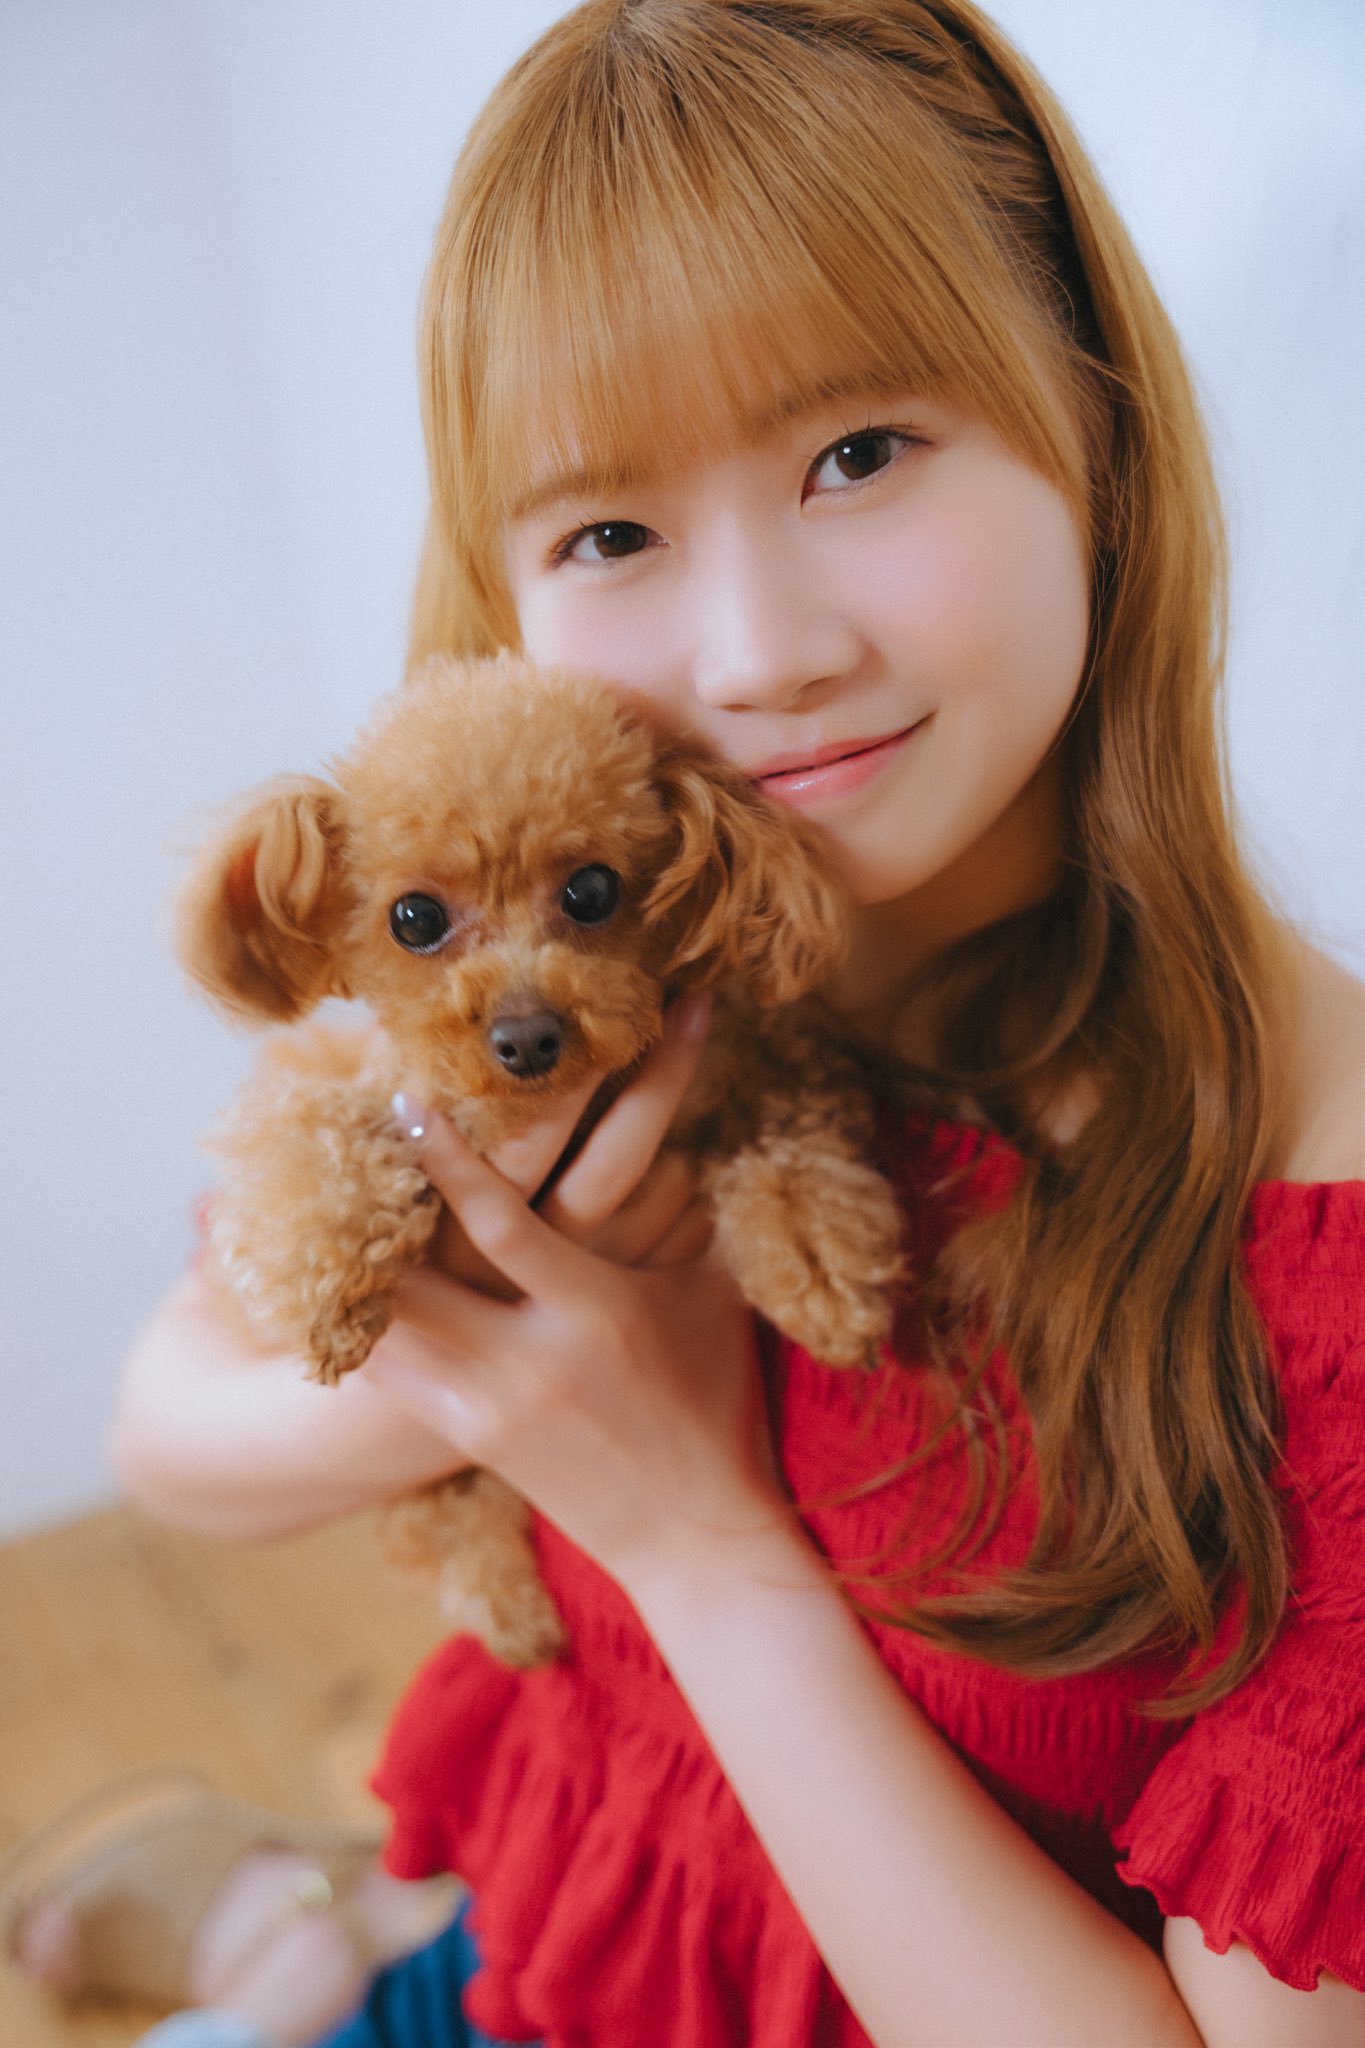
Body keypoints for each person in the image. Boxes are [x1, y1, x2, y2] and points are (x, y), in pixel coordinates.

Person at [40, 1, 1365, 2042]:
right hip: (535, 1944)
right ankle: (312, 1927)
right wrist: (523, 1366)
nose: (756, 657)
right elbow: (174, 1430)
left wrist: (688, 1531)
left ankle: (283, 1925)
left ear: (1090, 419)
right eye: (608, 532)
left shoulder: (1312, 1227)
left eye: (858, 454)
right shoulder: (606, 969)